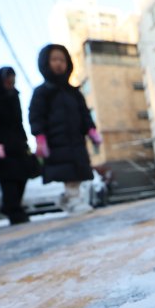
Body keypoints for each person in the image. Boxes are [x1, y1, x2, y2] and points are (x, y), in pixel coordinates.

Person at [29, 44, 102, 214]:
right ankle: (74, 199)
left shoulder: (74, 92)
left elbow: (84, 114)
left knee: (78, 169)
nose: (59, 63)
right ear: (45, 63)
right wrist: (39, 137)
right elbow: (35, 115)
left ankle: (68, 199)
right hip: (55, 140)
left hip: (76, 139)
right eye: (54, 59)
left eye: (62, 59)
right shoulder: (42, 92)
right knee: (68, 172)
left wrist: (91, 130)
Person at [0, 66, 36, 225]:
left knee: (22, 176)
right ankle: (14, 211)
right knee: (8, 180)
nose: (11, 84)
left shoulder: (14, 95)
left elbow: (19, 121)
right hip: (0, 146)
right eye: (8, 81)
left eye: (13, 81)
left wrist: (25, 142)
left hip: (18, 144)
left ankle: (11, 206)